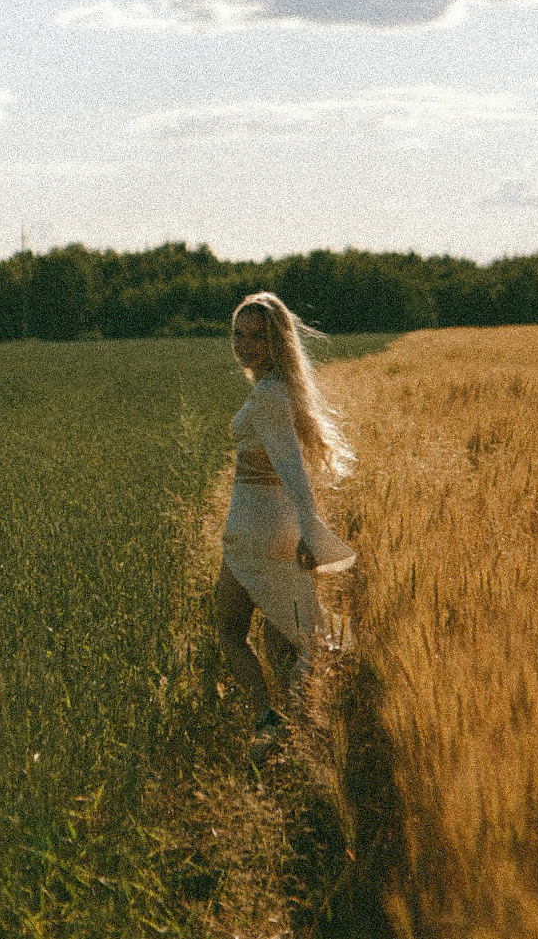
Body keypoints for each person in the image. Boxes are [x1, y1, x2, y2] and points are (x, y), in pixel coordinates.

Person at [215, 292, 356, 758]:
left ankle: (269, 719)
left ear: (277, 342)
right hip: (270, 526)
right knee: (284, 634)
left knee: (232, 630)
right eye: (239, 334)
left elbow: (294, 471)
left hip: (254, 531)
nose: (245, 344)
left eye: (258, 336)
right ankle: (301, 725)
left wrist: (310, 531)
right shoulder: (276, 389)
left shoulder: (271, 396)